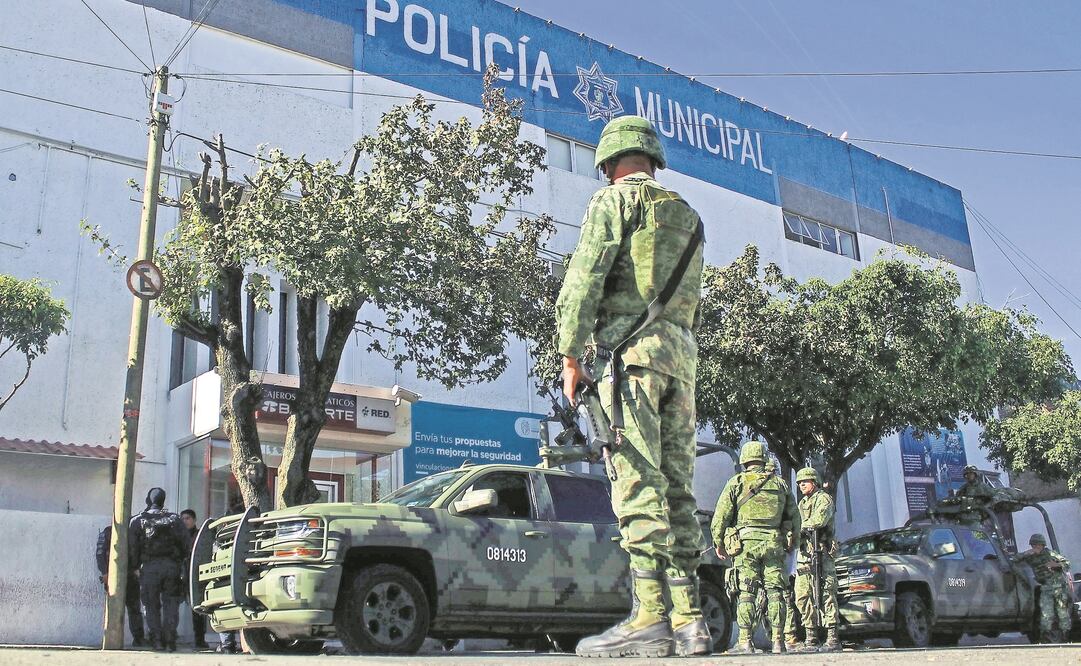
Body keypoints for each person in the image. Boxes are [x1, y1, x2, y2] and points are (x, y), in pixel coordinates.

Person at [557, 115, 709, 658]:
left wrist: (572, 354)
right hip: (681, 363)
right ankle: (690, 619)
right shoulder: (687, 215)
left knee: (638, 480)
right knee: (678, 489)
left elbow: (584, 279)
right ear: (653, 158)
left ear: (607, 163)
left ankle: (649, 616)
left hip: (633, 362)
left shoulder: (613, 204)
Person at [711, 441, 799, 654]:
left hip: (746, 546)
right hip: (773, 544)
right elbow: (794, 517)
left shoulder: (737, 482)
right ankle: (778, 641)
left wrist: (718, 542)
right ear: (763, 458)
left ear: (744, 460)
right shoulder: (780, 484)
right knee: (776, 592)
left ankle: (745, 642)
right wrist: (792, 543)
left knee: (747, 594)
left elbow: (720, 516)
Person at [129, 487, 191, 652]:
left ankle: (156, 640)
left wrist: (134, 567)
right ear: (163, 501)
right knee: (171, 603)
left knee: (151, 606)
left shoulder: (137, 520)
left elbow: (133, 548)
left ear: (149, 500)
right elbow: (186, 544)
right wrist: (180, 563)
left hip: (149, 568)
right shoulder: (175, 519)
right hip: (172, 567)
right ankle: (170, 640)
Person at [791, 467, 840, 652]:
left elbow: (818, 521)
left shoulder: (824, 498)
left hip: (822, 553)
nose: (801, 484)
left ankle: (832, 638)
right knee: (803, 595)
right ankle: (811, 637)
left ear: (815, 482)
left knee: (826, 594)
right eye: (799, 482)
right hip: (805, 555)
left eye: (805, 481)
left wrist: (797, 527)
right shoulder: (802, 503)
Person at [1014, 533, 1072, 643]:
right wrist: (1026, 553)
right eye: (1034, 545)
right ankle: (1047, 640)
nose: (1036, 547)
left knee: (1062, 613)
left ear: (1043, 545)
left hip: (1058, 586)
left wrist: (1056, 565)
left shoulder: (1050, 553)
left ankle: (1065, 638)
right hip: (1045, 587)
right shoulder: (1030, 556)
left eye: (1038, 545)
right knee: (1046, 614)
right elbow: (1014, 559)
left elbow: (1067, 563)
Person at [96, 524, 146, 647]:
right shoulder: (108, 531)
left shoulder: (134, 532)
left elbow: (140, 552)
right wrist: (105, 573)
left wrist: (137, 569)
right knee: (114, 608)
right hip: (113, 576)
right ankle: (111, 638)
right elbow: (100, 553)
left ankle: (138, 638)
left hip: (130, 576)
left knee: (134, 609)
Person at [180, 509, 209, 650]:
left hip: (194, 575)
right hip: (179, 575)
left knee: (197, 609)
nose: (185, 521)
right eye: (183, 518)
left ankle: (200, 639)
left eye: (187, 518)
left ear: (194, 520)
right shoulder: (178, 536)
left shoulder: (198, 536)